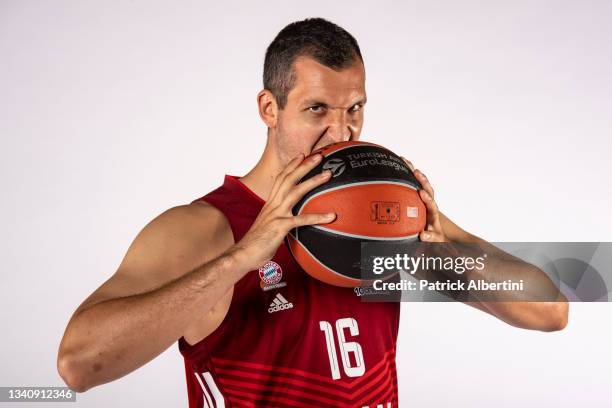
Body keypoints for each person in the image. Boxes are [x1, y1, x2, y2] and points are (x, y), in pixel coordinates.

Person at [57, 17, 569, 407]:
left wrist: (440, 228)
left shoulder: (378, 225)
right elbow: (78, 366)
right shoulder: (205, 228)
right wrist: (241, 258)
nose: (342, 133)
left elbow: (551, 311)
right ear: (269, 108)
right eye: (317, 109)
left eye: (355, 109)